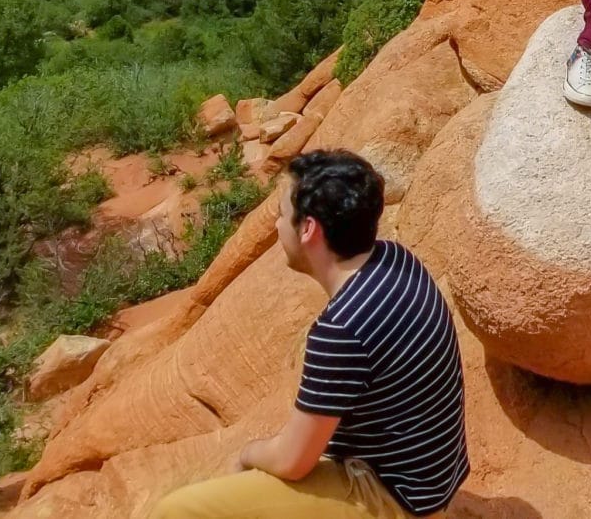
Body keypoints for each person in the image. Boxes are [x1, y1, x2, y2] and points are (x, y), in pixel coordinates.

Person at [150, 150, 469, 519]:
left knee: (175, 511)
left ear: (308, 229)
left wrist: (246, 453)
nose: (275, 227)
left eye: (281, 216)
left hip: (395, 497)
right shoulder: (395, 258)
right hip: (430, 478)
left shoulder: (344, 327)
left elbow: (292, 461)